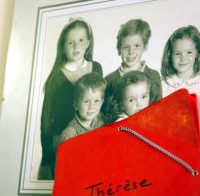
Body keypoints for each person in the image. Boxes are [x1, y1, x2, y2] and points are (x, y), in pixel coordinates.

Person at [39, 18, 103, 180]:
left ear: (88, 42)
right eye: (70, 42)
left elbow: (101, 101)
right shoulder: (57, 78)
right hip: (65, 140)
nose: (76, 46)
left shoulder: (96, 68)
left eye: (81, 40)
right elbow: (46, 118)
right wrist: (47, 156)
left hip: (90, 138)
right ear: (63, 47)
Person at [160, 25, 200, 176]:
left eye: (189, 52)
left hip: (197, 157)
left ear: (198, 53)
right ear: (170, 55)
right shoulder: (163, 84)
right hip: (169, 155)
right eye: (177, 53)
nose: (183, 58)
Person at [104, 19, 161, 113]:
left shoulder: (153, 76)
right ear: (119, 50)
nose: (131, 52)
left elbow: (157, 109)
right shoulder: (109, 80)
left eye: (137, 46)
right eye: (126, 47)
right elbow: (106, 114)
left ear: (145, 47)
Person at [57, 73, 106, 145]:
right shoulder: (70, 133)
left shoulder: (101, 119)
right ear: (76, 105)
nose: (91, 106)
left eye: (96, 101)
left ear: (102, 102)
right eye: (86, 101)